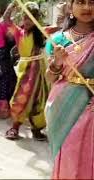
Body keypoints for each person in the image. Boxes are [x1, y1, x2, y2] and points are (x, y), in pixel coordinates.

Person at [45, 0, 94, 178]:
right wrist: (57, 62)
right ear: (71, 7)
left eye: (92, 3)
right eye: (81, 2)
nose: (87, 7)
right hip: (64, 106)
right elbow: (50, 78)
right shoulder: (58, 39)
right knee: (69, 156)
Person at [4, 2, 49, 141]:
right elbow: (6, 20)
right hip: (25, 70)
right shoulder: (19, 32)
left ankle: (37, 129)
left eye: (31, 18)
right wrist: (11, 6)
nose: (28, 21)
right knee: (21, 97)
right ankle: (15, 127)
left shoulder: (42, 32)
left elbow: (62, 27)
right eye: (26, 18)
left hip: (40, 69)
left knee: (40, 99)